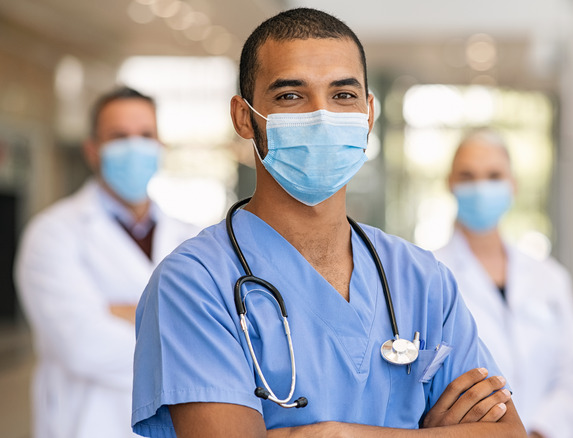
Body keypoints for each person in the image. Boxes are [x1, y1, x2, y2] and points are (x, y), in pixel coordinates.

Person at [131, 8, 526, 438]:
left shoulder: (421, 279)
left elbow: (506, 433)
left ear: (369, 114)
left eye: (343, 96)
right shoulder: (195, 283)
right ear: (244, 118)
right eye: (290, 96)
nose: (322, 116)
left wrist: (339, 434)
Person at [14, 86, 199, 438]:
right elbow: (83, 346)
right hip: (88, 426)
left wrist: (127, 312)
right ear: (92, 149)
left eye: (145, 135)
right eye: (119, 136)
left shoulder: (192, 237)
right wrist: (184, 325)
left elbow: (230, 333)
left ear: (161, 146)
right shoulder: (52, 234)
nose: (134, 147)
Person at [434, 129, 573, 438]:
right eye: (468, 176)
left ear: (513, 185)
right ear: (450, 183)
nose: (481, 187)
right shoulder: (429, 274)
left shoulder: (549, 277)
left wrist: (538, 431)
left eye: (494, 175)